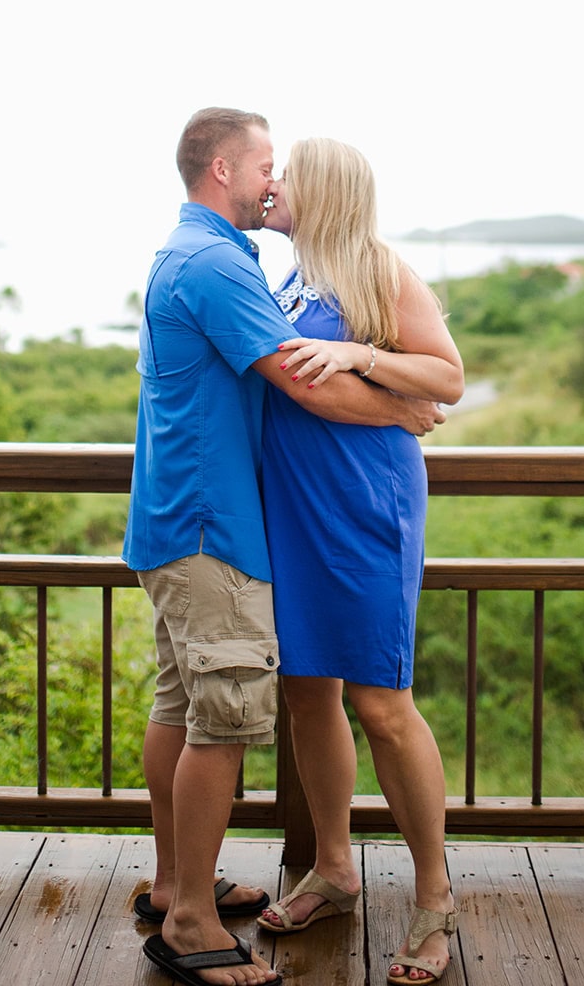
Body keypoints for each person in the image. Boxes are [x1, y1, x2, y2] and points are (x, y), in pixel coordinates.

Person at [123, 108, 444, 986]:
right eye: (267, 165)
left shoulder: (228, 258)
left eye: (287, 170)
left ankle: (178, 886)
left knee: (202, 707)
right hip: (222, 522)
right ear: (224, 169)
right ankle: (197, 912)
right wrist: (403, 408)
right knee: (231, 713)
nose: (274, 180)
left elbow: (416, 368)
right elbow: (303, 388)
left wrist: (381, 376)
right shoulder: (229, 264)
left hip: (261, 519)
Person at [255, 137, 465, 986]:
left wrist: (361, 356)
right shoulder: (291, 276)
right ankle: (335, 870)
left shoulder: (377, 270)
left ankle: (433, 897)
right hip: (294, 513)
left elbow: (446, 378)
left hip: (363, 508)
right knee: (307, 692)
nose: (269, 185)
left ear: (324, 192)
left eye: (284, 175)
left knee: (382, 701)